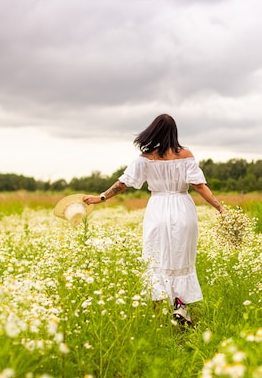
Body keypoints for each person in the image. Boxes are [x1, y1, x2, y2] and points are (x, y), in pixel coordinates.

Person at [83, 114, 224, 325]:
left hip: (157, 211)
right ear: (174, 132)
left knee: (156, 260)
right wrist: (220, 207)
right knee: (182, 260)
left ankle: (159, 317)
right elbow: (199, 185)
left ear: (153, 131)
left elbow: (124, 183)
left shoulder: (146, 158)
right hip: (183, 210)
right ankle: (181, 307)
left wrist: (100, 198)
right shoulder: (186, 155)